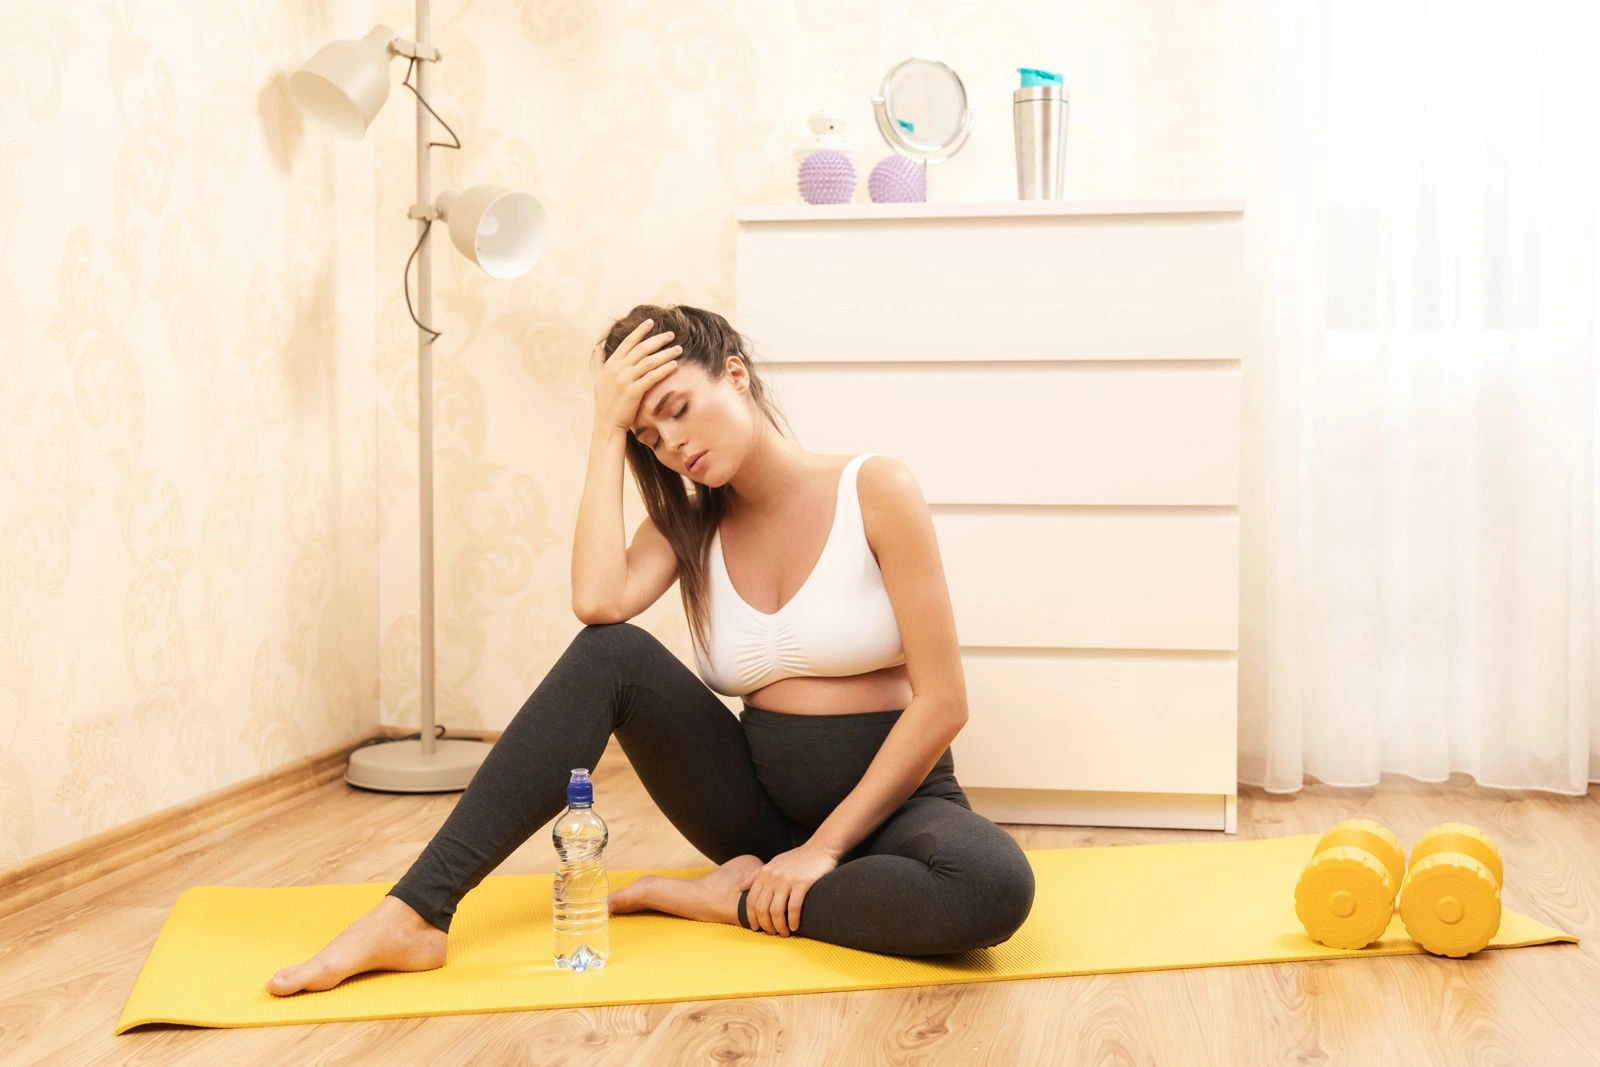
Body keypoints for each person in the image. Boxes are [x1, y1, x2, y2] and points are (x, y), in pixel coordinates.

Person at [266, 304, 1034, 996]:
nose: (673, 448)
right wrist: (605, 431)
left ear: (734, 373)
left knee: (993, 887)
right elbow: (598, 603)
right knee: (611, 652)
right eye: (650, 438)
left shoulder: (876, 488)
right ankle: (416, 911)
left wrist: (824, 850)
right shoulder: (687, 525)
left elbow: (944, 701)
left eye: (678, 410)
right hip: (757, 815)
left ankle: (730, 898)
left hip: (899, 807)